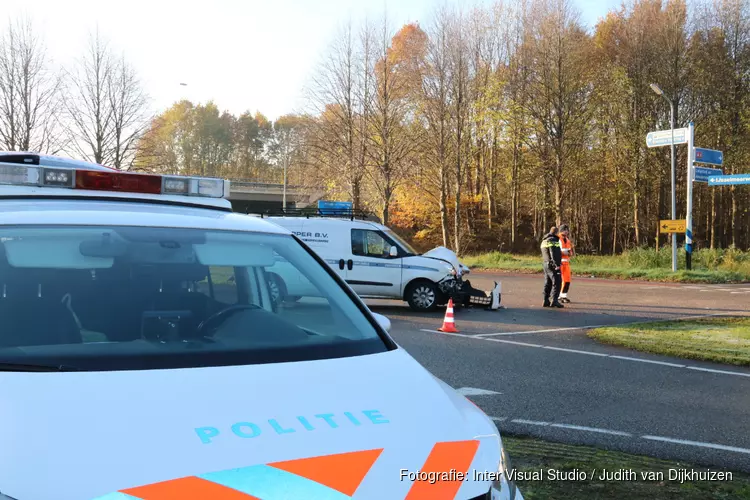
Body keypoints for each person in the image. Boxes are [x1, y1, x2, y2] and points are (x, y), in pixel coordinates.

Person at [541, 226, 564, 308]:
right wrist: (556, 264)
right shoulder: (553, 240)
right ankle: (554, 300)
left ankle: (545, 300)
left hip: (545, 263)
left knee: (548, 282)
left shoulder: (544, 240)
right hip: (552, 264)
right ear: (557, 233)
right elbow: (553, 252)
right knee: (557, 282)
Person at [559, 224, 574, 303]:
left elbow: (569, 250)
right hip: (560, 262)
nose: (567, 231)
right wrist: (566, 252)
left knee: (567, 280)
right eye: (566, 230)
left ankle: (563, 296)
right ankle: (558, 296)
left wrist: (570, 253)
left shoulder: (567, 240)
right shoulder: (558, 238)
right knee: (559, 280)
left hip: (566, 263)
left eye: (567, 230)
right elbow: (558, 250)